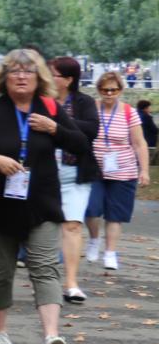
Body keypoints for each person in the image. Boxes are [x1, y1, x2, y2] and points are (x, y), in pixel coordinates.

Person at [0, 50, 87, 344]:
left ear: (39, 77)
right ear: (4, 77)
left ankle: (52, 334)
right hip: (0, 204)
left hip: (42, 203)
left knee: (45, 267)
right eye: (14, 71)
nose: (22, 76)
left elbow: (80, 144)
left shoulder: (50, 108)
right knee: (0, 272)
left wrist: (54, 129)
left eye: (29, 71)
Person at [86, 70, 151, 270]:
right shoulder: (90, 109)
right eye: (105, 89)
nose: (109, 93)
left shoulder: (129, 112)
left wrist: (144, 170)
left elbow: (140, 143)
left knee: (115, 214)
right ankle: (94, 239)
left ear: (120, 90)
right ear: (99, 90)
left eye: (113, 89)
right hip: (94, 169)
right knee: (91, 209)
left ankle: (110, 252)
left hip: (123, 170)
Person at [47, 56, 99, 303]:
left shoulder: (84, 102)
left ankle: (71, 283)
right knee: (42, 227)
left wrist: (55, 124)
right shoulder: (39, 100)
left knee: (73, 225)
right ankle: (44, 278)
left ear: (68, 79)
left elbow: (91, 130)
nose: (47, 77)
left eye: (53, 74)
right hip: (42, 171)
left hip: (74, 173)